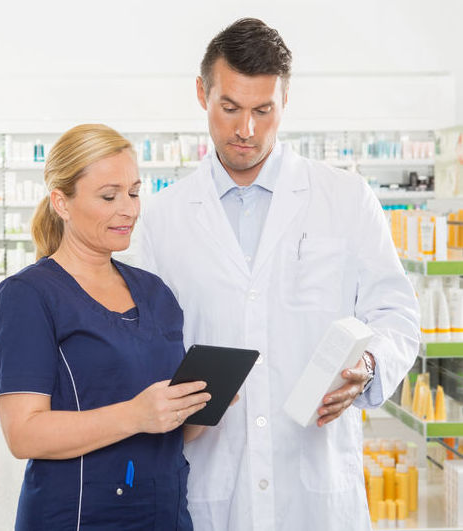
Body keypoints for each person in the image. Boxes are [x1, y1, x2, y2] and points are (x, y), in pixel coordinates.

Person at [139, 18, 420, 531]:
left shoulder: (345, 198)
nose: (245, 130)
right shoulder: (163, 218)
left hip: (316, 482)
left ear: (285, 101)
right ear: (202, 94)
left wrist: (372, 364)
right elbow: (141, 348)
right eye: (230, 108)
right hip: (212, 483)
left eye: (263, 110)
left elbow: (396, 312)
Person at [0, 124, 212, 530]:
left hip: (165, 514)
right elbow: (24, 434)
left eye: (135, 192)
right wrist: (136, 415)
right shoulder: (28, 296)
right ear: (62, 202)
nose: (129, 208)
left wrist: (202, 405)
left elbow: (172, 432)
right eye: (109, 196)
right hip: (77, 516)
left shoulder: (155, 292)